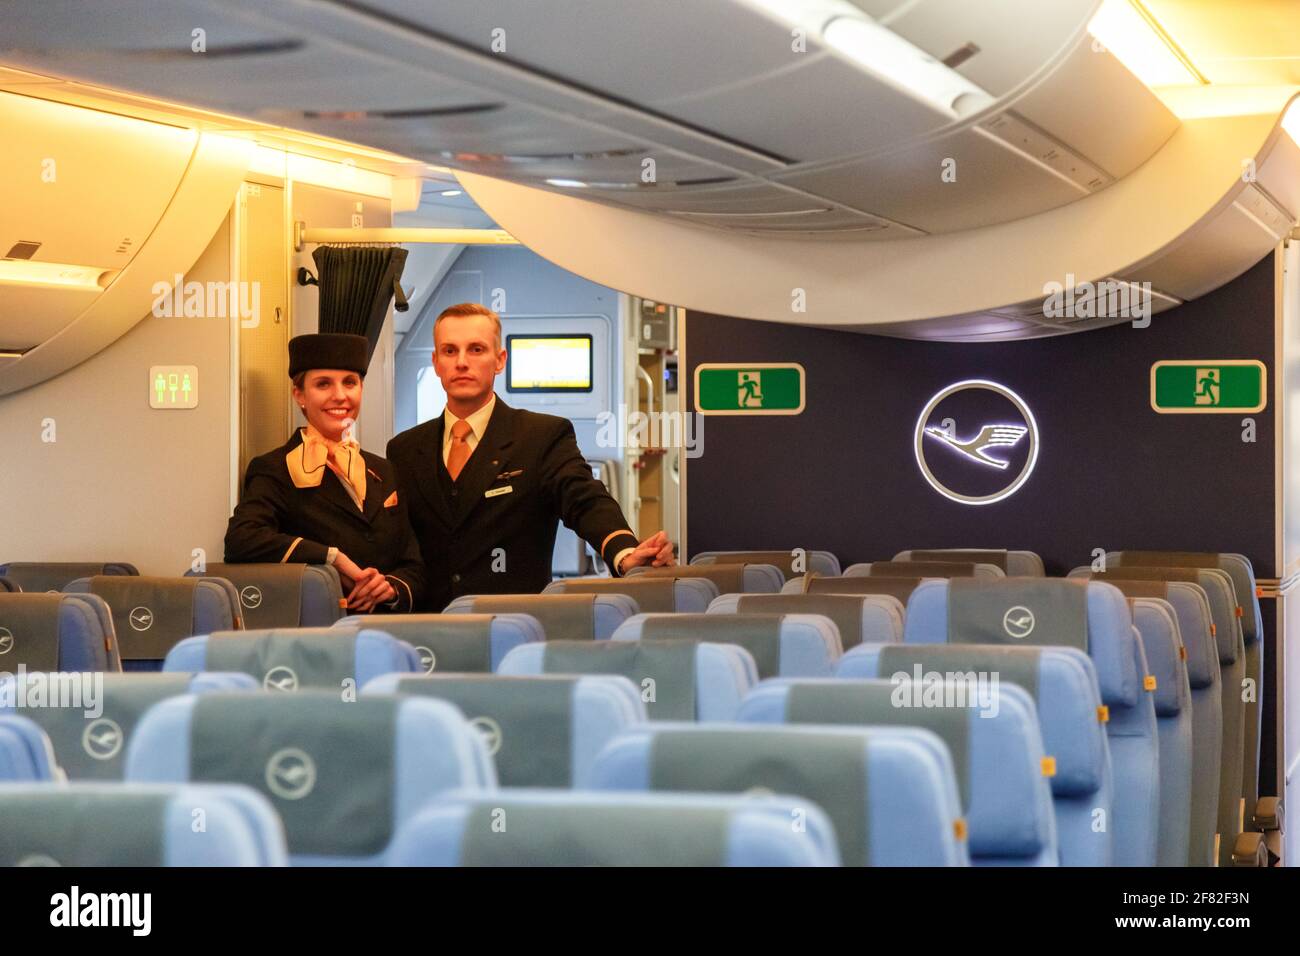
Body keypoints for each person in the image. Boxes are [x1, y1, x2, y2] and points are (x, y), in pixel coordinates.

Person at [387, 303, 674, 612]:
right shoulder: (404, 450)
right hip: (428, 631)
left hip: (514, 625)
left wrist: (623, 551)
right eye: (449, 351)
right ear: (436, 362)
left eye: (476, 349)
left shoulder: (541, 436)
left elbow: (584, 500)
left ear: (499, 361)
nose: (461, 362)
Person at [225, 332, 425, 612]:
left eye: (350, 383)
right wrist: (331, 558)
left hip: (384, 631)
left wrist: (389, 587)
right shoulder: (275, 468)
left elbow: (413, 565)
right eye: (323, 384)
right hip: (320, 631)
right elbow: (241, 540)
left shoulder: (383, 469)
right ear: (299, 394)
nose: (340, 396)